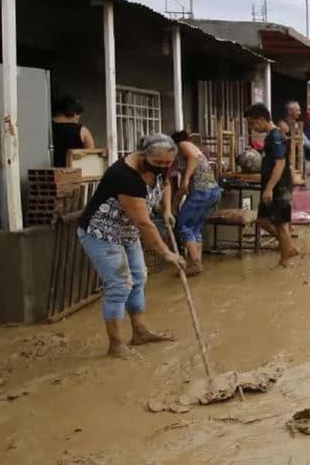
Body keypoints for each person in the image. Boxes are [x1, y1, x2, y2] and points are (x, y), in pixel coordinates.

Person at [77, 133, 186, 358]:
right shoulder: (125, 176)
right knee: (120, 284)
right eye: (159, 163)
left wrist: (166, 209)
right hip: (102, 233)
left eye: (168, 163)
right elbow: (144, 223)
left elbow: (165, 184)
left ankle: (139, 332)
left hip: (127, 231)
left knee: (138, 277)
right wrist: (166, 253)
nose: (164, 167)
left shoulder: (159, 165)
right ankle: (115, 345)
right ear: (143, 155)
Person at [247, 103, 298, 267]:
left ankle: (285, 262)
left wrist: (269, 188)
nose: (252, 128)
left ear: (262, 119)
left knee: (282, 226)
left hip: (279, 187)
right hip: (272, 186)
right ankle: (288, 247)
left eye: (253, 123)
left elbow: (280, 163)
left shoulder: (276, 136)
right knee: (262, 220)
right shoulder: (271, 136)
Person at [171, 131, 221, 276]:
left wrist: (186, 178)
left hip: (202, 192)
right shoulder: (192, 150)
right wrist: (175, 204)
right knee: (195, 228)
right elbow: (182, 190)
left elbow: (192, 159)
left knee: (184, 226)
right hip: (212, 192)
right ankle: (196, 262)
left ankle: (195, 263)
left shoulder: (183, 145)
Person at [51, 96, 95, 167]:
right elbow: (92, 158)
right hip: (74, 174)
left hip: (48, 174)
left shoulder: (45, 127)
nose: (78, 120)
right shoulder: (83, 131)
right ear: (74, 113)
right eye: (78, 116)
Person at [278, 100, 304, 181]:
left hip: (294, 158)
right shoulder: (282, 124)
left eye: (299, 110)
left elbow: (301, 140)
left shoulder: (296, 124)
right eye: (297, 110)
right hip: (284, 158)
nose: (299, 113)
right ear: (290, 111)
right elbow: (282, 140)